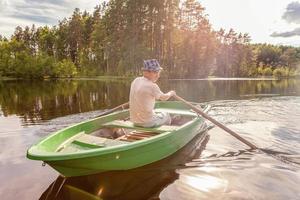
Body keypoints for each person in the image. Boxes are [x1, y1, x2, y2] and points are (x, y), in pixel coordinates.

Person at [129, 59, 176, 127]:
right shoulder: (152, 86)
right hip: (148, 123)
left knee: (155, 113)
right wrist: (171, 93)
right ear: (146, 72)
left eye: (158, 72)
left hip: (134, 121)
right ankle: (166, 129)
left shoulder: (136, 80)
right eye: (155, 72)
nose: (158, 75)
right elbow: (164, 98)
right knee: (167, 115)